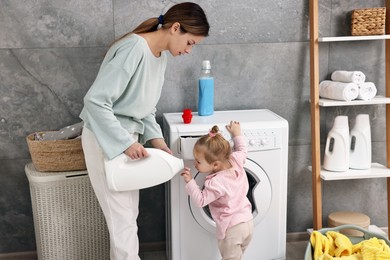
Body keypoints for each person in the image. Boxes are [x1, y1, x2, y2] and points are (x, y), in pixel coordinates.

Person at [79, 2, 209, 260]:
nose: (189, 50)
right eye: (190, 43)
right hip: (107, 140)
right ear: (175, 28)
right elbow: (95, 101)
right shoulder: (134, 48)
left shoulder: (159, 57)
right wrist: (125, 143)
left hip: (128, 140)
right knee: (122, 221)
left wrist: (157, 141)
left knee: (127, 218)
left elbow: (146, 108)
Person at [180, 121, 254, 260]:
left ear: (215, 164)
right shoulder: (235, 159)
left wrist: (190, 181)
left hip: (232, 230)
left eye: (198, 161)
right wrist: (237, 134)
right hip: (248, 222)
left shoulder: (215, 183)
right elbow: (243, 150)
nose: (195, 163)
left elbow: (201, 200)